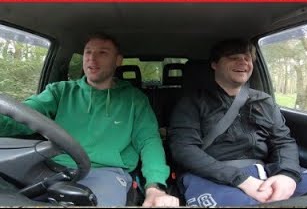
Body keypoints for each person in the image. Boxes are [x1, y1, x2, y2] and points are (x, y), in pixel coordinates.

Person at [0, 33, 180, 207]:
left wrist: (154, 187)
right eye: (88, 52)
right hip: (50, 168)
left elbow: (149, 142)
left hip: (106, 173)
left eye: (102, 53)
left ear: (118, 60)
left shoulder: (135, 100)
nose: (92, 59)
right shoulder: (59, 91)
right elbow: (21, 117)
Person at [168, 38, 307, 206]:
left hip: (267, 171)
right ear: (214, 64)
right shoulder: (192, 102)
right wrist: (241, 179)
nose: (243, 62)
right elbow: (184, 149)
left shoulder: (264, 101)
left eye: (247, 58)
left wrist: (287, 174)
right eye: (233, 57)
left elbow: (283, 141)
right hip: (210, 174)